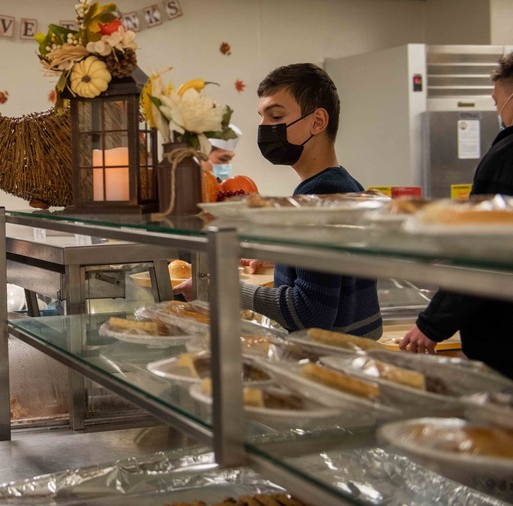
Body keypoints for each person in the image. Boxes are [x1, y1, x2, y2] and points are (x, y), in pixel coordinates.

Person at [176, 64, 382, 338]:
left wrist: (221, 289)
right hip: (348, 356)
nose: (264, 128)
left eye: (275, 116)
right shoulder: (345, 185)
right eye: (262, 118)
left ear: (318, 122)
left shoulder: (317, 196)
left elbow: (310, 312)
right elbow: (335, 274)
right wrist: (280, 257)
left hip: (325, 364)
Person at [399, 53, 513, 378]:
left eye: (497, 101)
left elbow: (482, 251)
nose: (497, 110)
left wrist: (431, 325)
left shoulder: (505, 156)